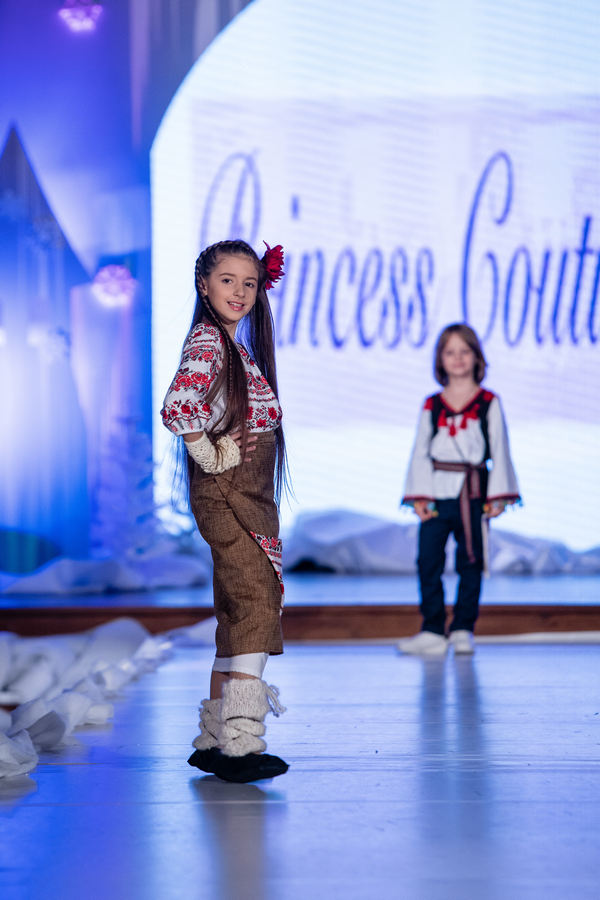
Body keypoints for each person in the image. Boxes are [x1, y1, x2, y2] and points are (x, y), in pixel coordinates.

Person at [161, 238, 289, 782]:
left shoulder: (230, 346)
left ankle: (216, 738)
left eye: (249, 282)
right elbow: (179, 405)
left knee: (238, 610)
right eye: (227, 280)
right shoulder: (209, 342)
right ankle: (240, 741)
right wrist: (208, 452)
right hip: (230, 493)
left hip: (241, 493)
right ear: (204, 284)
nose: (239, 291)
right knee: (256, 602)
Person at [399, 323, 521, 656]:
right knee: (428, 560)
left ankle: (463, 628)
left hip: (474, 492)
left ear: (476, 357)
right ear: (440, 359)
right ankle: (433, 629)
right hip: (436, 492)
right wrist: (419, 495)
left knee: (471, 561)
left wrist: (498, 495)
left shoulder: (488, 402)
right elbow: (420, 451)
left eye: (464, 351)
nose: (457, 358)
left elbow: (500, 448)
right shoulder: (432, 404)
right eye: (450, 352)